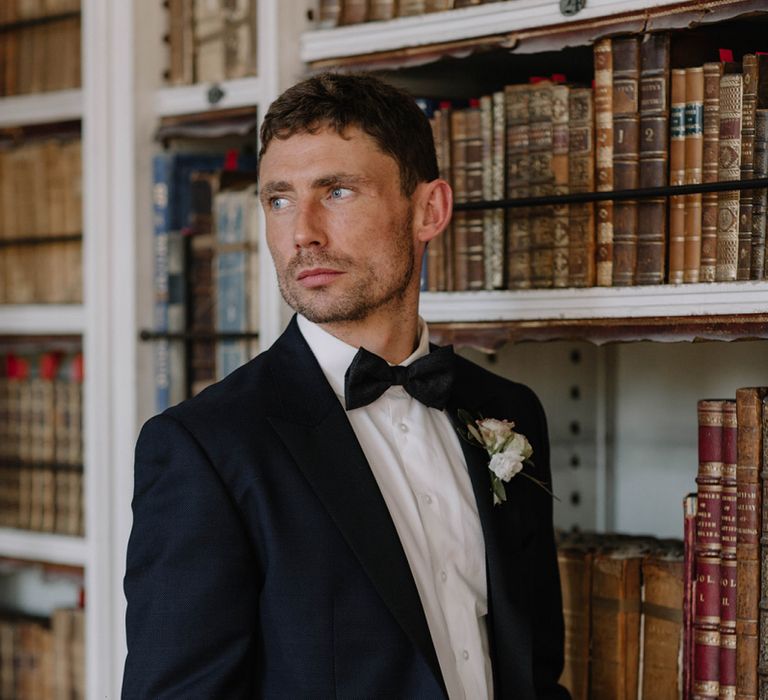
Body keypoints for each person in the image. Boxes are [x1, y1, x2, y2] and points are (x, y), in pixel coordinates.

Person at [122, 72, 569, 699]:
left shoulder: (508, 411)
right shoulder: (204, 450)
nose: (301, 231)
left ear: (428, 210)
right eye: (278, 199)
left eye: (337, 191)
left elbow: (534, 669)